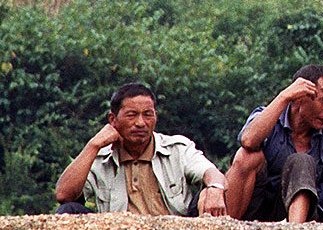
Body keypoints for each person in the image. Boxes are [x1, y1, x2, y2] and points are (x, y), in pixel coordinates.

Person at [54, 82, 228, 216]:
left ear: (155, 117)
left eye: (147, 114)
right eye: (132, 115)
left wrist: (214, 188)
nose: (140, 123)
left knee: (209, 194)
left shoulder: (177, 149)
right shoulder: (100, 157)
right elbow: (63, 195)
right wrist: (93, 145)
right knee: (69, 210)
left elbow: (211, 172)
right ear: (113, 119)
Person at [225, 64, 323, 223]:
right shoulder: (267, 117)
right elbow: (248, 140)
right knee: (245, 156)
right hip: (258, 208)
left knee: (301, 161)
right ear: (300, 98)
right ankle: (227, 229)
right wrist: (284, 97)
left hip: (307, 218)